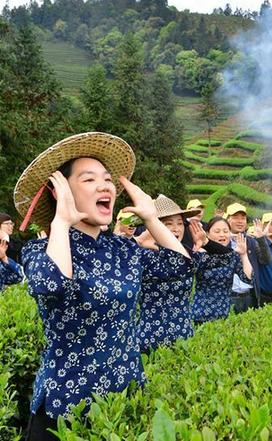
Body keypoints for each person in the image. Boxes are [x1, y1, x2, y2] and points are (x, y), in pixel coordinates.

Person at [14, 133, 192, 440]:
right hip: (64, 409)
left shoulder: (123, 249)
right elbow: (51, 284)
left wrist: (151, 218)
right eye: (89, 179)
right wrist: (60, 222)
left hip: (122, 399)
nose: (105, 185)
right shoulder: (40, 250)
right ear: (61, 192)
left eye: (108, 179)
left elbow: (181, 268)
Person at [136, 195, 211, 353]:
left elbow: (221, 258)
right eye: (168, 224)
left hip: (183, 337)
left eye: (179, 223)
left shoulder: (187, 256)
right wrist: (140, 242)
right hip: (149, 340)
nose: (176, 228)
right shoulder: (141, 256)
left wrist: (201, 243)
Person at [190, 216, 253, 323]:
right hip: (199, 313)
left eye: (225, 231)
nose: (222, 234)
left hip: (224, 314)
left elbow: (248, 278)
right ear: (207, 234)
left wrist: (243, 255)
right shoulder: (200, 254)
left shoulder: (232, 255)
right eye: (217, 231)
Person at [225, 202, 272, 310]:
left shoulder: (251, 241)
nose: (240, 221)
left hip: (249, 295)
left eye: (243, 218)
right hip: (228, 296)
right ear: (228, 220)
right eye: (235, 217)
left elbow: (266, 260)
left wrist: (261, 239)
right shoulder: (221, 242)